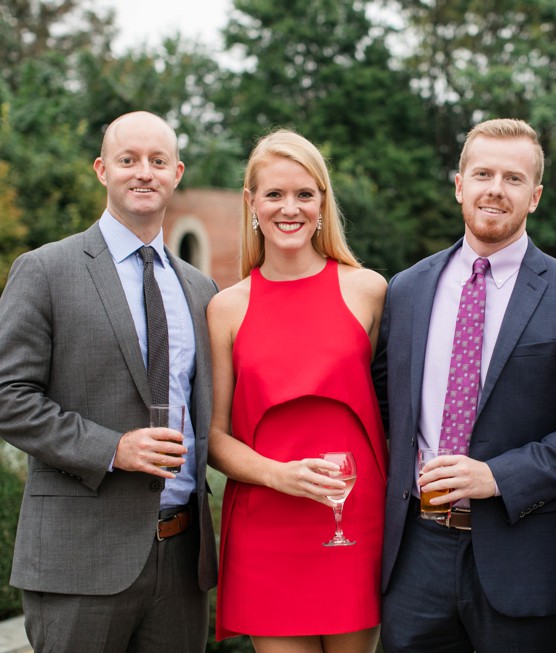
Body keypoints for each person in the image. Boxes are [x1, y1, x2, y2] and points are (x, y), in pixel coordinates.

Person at [373, 118, 556, 652]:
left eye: (513, 179)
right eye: (482, 173)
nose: (495, 189)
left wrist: (495, 476)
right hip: (415, 557)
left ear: (534, 196)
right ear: (459, 184)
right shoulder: (407, 289)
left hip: (523, 559)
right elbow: (384, 410)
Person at [0, 111, 218, 652]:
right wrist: (114, 448)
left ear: (176, 173)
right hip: (78, 559)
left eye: (158, 161)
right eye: (128, 159)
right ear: (101, 169)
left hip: (181, 560)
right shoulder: (46, 270)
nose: (143, 172)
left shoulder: (200, 290)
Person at [207, 129, 388, 653]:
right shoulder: (227, 308)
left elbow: (385, 408)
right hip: (268, 524)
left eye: (305, 194)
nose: (290, 208)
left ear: (323, 202)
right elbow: (215, 437)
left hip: (353, 523)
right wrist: (278, 475)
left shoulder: (369, 290)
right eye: (275, 194)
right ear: (251, 203)